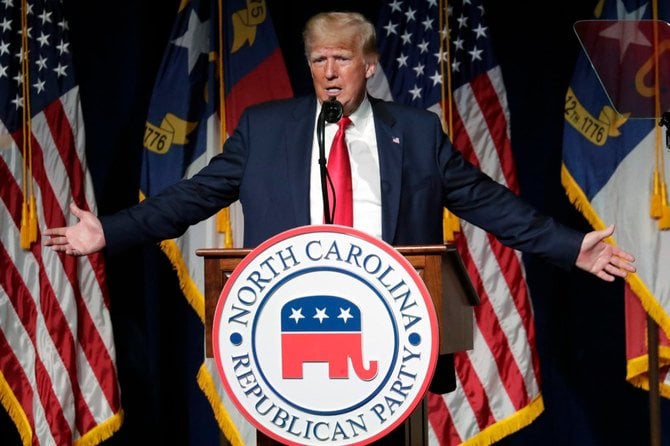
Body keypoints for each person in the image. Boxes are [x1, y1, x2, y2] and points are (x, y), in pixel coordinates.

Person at [44, 11, 635, 391]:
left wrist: (569, 245)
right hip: (290, 341)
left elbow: (488, 202)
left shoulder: (417, 132)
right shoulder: (265, 128)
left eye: (342, 58)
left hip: (394, 345)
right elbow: (192, 197)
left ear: (369, 66)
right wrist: (109, 232)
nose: (329, 72)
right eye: (319, 59)